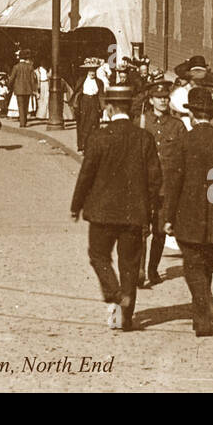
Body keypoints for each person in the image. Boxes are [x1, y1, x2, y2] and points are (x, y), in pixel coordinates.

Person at [70, 84, 161, 331]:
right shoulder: (145, 138)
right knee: (129, 264)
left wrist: (76, 205)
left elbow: (86, 175)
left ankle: (115, 292)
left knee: (98, 255)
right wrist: (151, 210)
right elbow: (155, 180)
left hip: (102, 213)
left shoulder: (98, 137)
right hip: (134, 213)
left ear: (109, 107)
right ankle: (126, 317)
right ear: (130, 108)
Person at [162, 89, 213, 336]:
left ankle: (204, 312)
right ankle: (200, 315)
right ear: (212, 113)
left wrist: (168, 216)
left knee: (192, 266)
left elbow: (173, 183)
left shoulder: (183, 141)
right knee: (206, 264)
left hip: (188, 214)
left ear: (192, 115)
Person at [138, 80, 186, 288]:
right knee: (140, 230)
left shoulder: (177, 125)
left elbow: (183, 156)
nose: (163, 101)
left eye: (166, 98)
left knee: (159, 232)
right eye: (159, 98)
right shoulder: (141, 122)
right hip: (144, 186)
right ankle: (139, 270)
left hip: (166, 187)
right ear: (151, 100)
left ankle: (152, 269)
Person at [74, 58, 103, 153]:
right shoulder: (82, 81)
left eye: (94, 70)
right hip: (84, 104)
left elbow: (101, 95)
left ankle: (93, 146)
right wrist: (77, 106)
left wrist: (101, 108)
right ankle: (83, 146)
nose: (92, 73)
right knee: (84, 125)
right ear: (87, 71)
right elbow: (77, 94)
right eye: (90, 70)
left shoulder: (99, 82)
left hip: (94, 103)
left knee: (94, 124)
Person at [6, 48, 39, 127]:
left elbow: (12, 78)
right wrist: (34, 89)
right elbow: (32, 80)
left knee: (20, 106)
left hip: (18, 89)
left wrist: (9, 85)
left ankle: (22, 123)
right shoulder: (30, 67)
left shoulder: (16, 67)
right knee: (26, 105)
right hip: (28, 89)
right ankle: (24, 120)